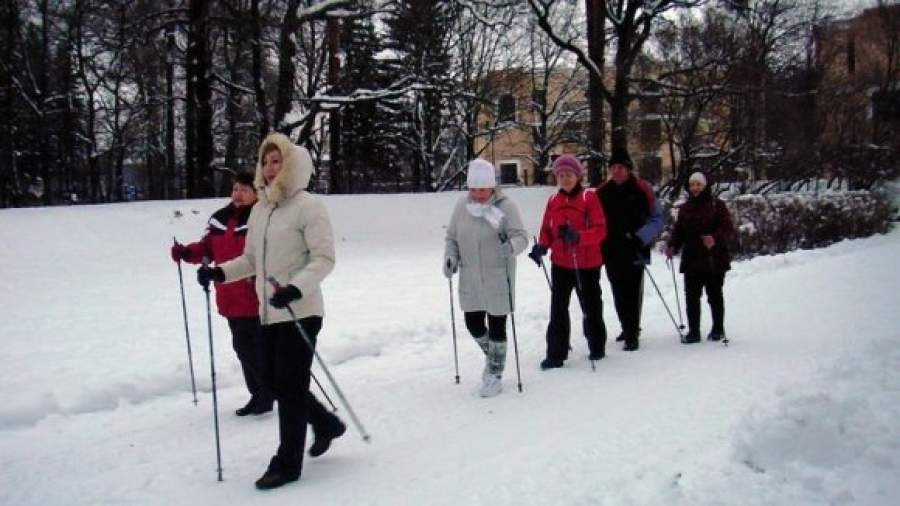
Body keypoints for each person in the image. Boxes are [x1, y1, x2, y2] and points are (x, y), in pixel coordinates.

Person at [197, 132, 346, 490]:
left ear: (291, 164)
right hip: (267, 312)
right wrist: (220, 272)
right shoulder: (261, 208)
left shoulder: (308, 206)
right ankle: (325, 423)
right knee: (276, 382)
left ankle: (287, 463)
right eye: (265, 161)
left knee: (290, 387)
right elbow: (251, 259)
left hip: (301, 312)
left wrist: (296, 287)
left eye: (277, 161)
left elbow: (324, 258)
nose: (269, 167)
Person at [171, 172, 272, 416]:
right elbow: (207, 249)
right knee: (245, 347)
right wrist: (186, 252)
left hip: (254, 295)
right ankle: (262, 393)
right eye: (236, 189)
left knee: (250, 347)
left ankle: (266, 394)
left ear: (257, 193)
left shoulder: (262, 218)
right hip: (228, 295)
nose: (238, 194)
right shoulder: (219, 219)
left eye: (245, 190)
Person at [444, 159, 528, 397]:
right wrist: (450, 257)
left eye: (482, 190)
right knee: (473, 323)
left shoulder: (506, 206)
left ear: (492, 186)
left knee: (497, 324)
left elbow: (522, 236)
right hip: (470, 275)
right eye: (473, 189)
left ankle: (494, 373)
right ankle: (494, 357)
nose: (477, 195)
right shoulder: (462, 206)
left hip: (497, 275)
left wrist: (510, 246)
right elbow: (451, 237)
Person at [528, 155, 608, 369]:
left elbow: (600, 230)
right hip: (561, 263)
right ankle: (556, 353)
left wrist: (579, 237)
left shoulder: (588, 198)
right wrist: (542, 246)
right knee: (558, 309)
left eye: (569, 175)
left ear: (577, 176)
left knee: (590, 305)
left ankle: (596, 344)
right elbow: (547, 229)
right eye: (561, 175)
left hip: (587, 263)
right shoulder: (553, 200)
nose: (565, 179)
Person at [595, 151, 663, 352]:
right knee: (617, 290)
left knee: (634, 290)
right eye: (613, 167)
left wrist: (641, 236)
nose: (617, 171)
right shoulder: (601, 192)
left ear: (629, 169)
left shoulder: (643, 188)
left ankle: (632, 332)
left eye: (621, 167)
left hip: (636, 247)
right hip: (611, 249)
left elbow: (657, 218)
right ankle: (627, 326)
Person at [666, 172, 735, 343]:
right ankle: (694, 332)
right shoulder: (685, 208)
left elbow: (727, 228)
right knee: (691, 296)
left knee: (714, 295)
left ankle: (718, 328)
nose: (695, 188)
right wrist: (672, 245)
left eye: (698, 184)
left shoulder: (717, 205)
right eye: (692, 185)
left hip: (713, 257)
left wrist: (714, 238)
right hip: (691, 257)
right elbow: (679, 230)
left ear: (705, 186)